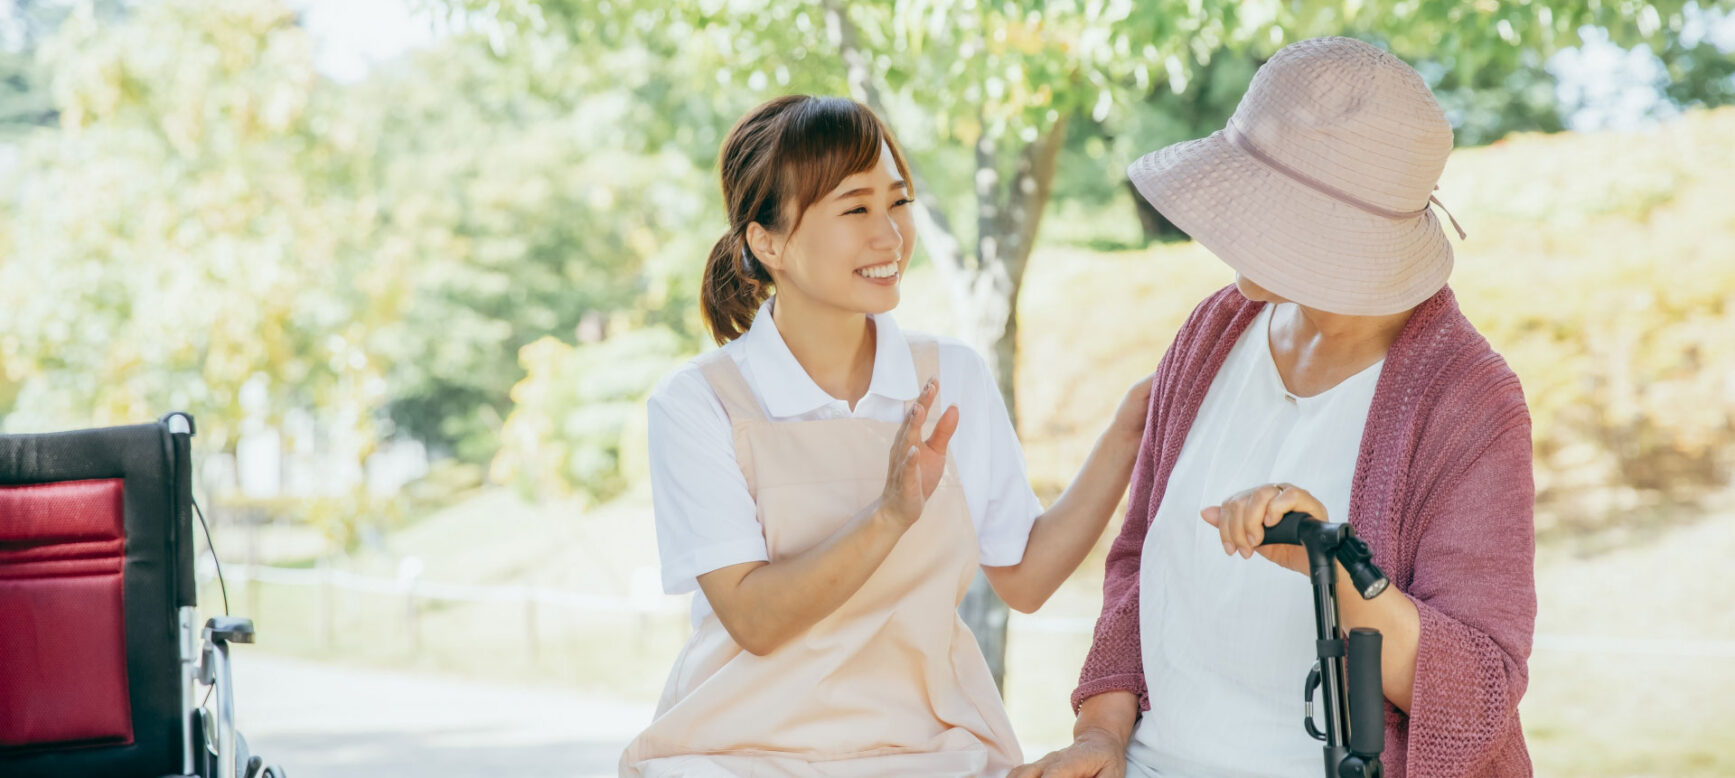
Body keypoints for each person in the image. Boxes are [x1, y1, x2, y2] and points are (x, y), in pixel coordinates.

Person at [1016, 37, 1537, 778]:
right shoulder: (1209, 333)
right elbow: (1136, 566)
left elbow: (1479, 691)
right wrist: (1099, 735)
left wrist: (1334, 564)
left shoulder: (1465, 400)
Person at [620, 94, 1150, 777]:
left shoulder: (949, 375)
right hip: (739, 752)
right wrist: (890, 515)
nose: (890, 235)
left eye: (897, 203)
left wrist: (1126, 434)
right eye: (854, 209)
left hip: (932, 749)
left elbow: (1024, 575)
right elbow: (754, 619)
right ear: (767, 242)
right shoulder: (699, 403)